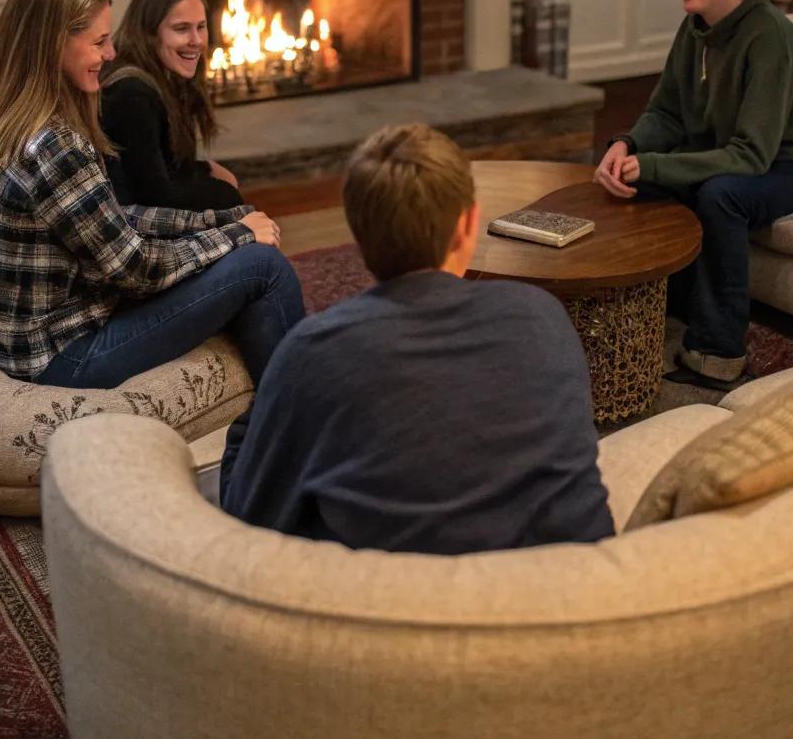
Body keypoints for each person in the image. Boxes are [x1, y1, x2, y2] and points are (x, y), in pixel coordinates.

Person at [221, 123, 614, 554]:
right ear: (468, 223)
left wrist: (257, 417)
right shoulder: (544, 316)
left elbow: (250, 521)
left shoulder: (312, 352)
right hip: (559, 583)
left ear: (358, 236)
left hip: (388, 589)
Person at [0, 0, 304, 390]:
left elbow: (113, 218)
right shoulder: (55, 147)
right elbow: (134, 269)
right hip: (61, 357)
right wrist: (237, 237)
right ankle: (296, 415)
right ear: (54, 45)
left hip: (33, 341)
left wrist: (222, 220)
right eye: (99, 42)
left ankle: (268, 416)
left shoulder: (10, 122)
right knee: (262, 266)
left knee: (240, 247)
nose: (111, 52)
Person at [594, 0, 793, 388]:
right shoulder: (695, 29)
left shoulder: (770, 36)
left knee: (720, 195)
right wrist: (627, 145)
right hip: (730, 151)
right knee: (635, 181)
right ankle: (654, 316)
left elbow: (751, 156)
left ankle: (719, 352)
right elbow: (666, 112)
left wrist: (657, 165)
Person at [101, 0, 242, 211]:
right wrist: (227, 194)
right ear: (148, 33)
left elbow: (167, 169)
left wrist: (206, 169)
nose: (196, 41)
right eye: (181, 29)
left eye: (201, 27)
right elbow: (155, 196)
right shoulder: (130, 94)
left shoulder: (165, 75)